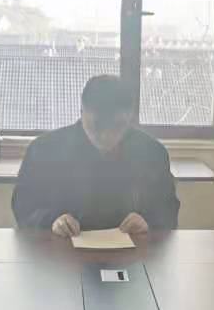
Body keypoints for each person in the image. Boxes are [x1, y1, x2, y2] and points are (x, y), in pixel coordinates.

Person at [11, 74, 180, 236]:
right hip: (62, 248)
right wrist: (51, 221)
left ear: (130, 117)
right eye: (97, 125)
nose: (106, 136)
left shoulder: (152, 153)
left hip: (134, 249)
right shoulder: (44, 150)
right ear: (81, 112)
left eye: (117, 125)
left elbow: (168, 209)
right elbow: (23, 206)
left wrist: (149, 222)